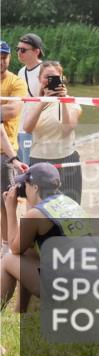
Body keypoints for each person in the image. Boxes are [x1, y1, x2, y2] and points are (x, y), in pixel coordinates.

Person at [1, 163, 90, 312]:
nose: (24, 188)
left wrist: (10, 209)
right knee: (27, 252)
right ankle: (20, 312)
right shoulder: (69, 202)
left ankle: (12, 312)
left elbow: (14, 247)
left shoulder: (36, 214)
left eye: (26, 185)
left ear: (35, 187)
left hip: (70, 287)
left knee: (8, 260)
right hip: (92, 280)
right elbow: (24, 248)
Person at [21, 61, 82, 204]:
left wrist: (63, 100)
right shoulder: (33, 102)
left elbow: (67, 129)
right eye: (46, 77)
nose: (50, 81)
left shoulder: (72, 102)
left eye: (54, 77)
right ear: (39, 79)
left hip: (66, 159)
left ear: (61, 79)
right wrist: (43, 100)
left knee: (70, 206)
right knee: (40, 208)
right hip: (39, 160)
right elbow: (27, 128)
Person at [1, 42, 28, 257]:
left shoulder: (16, 82)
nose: (1, 61)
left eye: (4, 57)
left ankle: (9, 247)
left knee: (7, 202)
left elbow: (12, 110)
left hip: (6, 153)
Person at [14, 34, 44, 162]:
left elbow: (54, 100)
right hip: (21, 126)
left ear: (36, 51)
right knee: (22, 164)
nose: (19, 53)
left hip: (39, 129)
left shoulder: (46, 70)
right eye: (18, 49)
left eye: (23, 50)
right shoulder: (21, 71)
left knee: (35, 165)